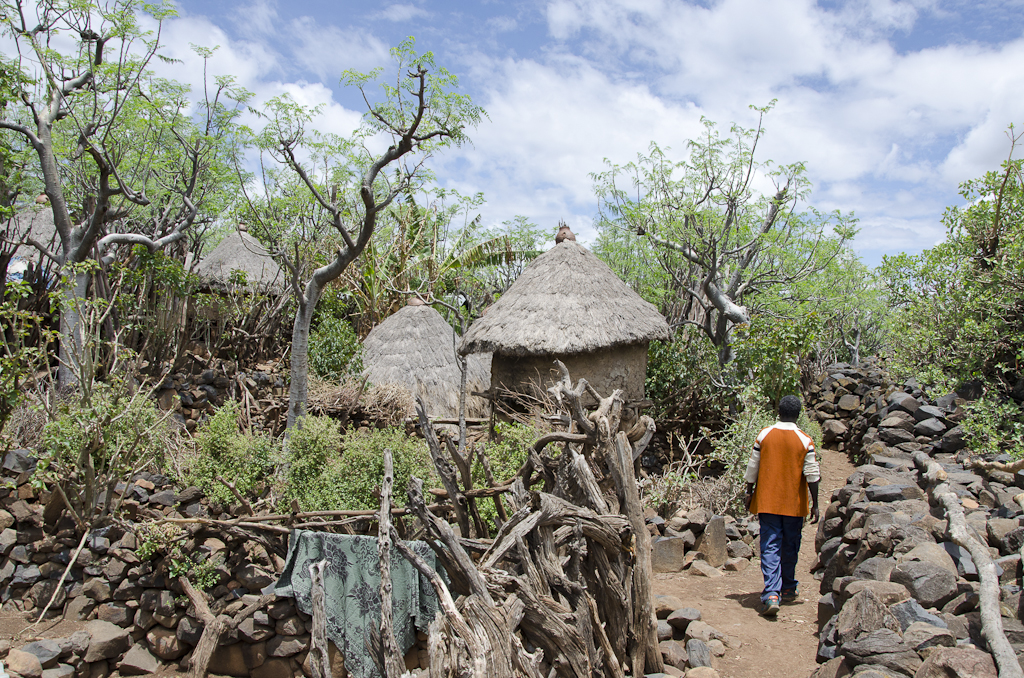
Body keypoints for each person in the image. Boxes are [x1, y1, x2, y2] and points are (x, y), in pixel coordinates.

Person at [743, 395, 820, 617]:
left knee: (770, 545)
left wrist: (749, 492)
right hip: (794, 504)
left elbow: (752, 468)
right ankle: (787, 586)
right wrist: (815, 504)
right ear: (799, 415)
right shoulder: (805, 440)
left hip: (767, 501)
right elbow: (812, 475)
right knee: (790, 545)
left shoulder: (764, 436)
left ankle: (771, 593)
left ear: (779, 412)